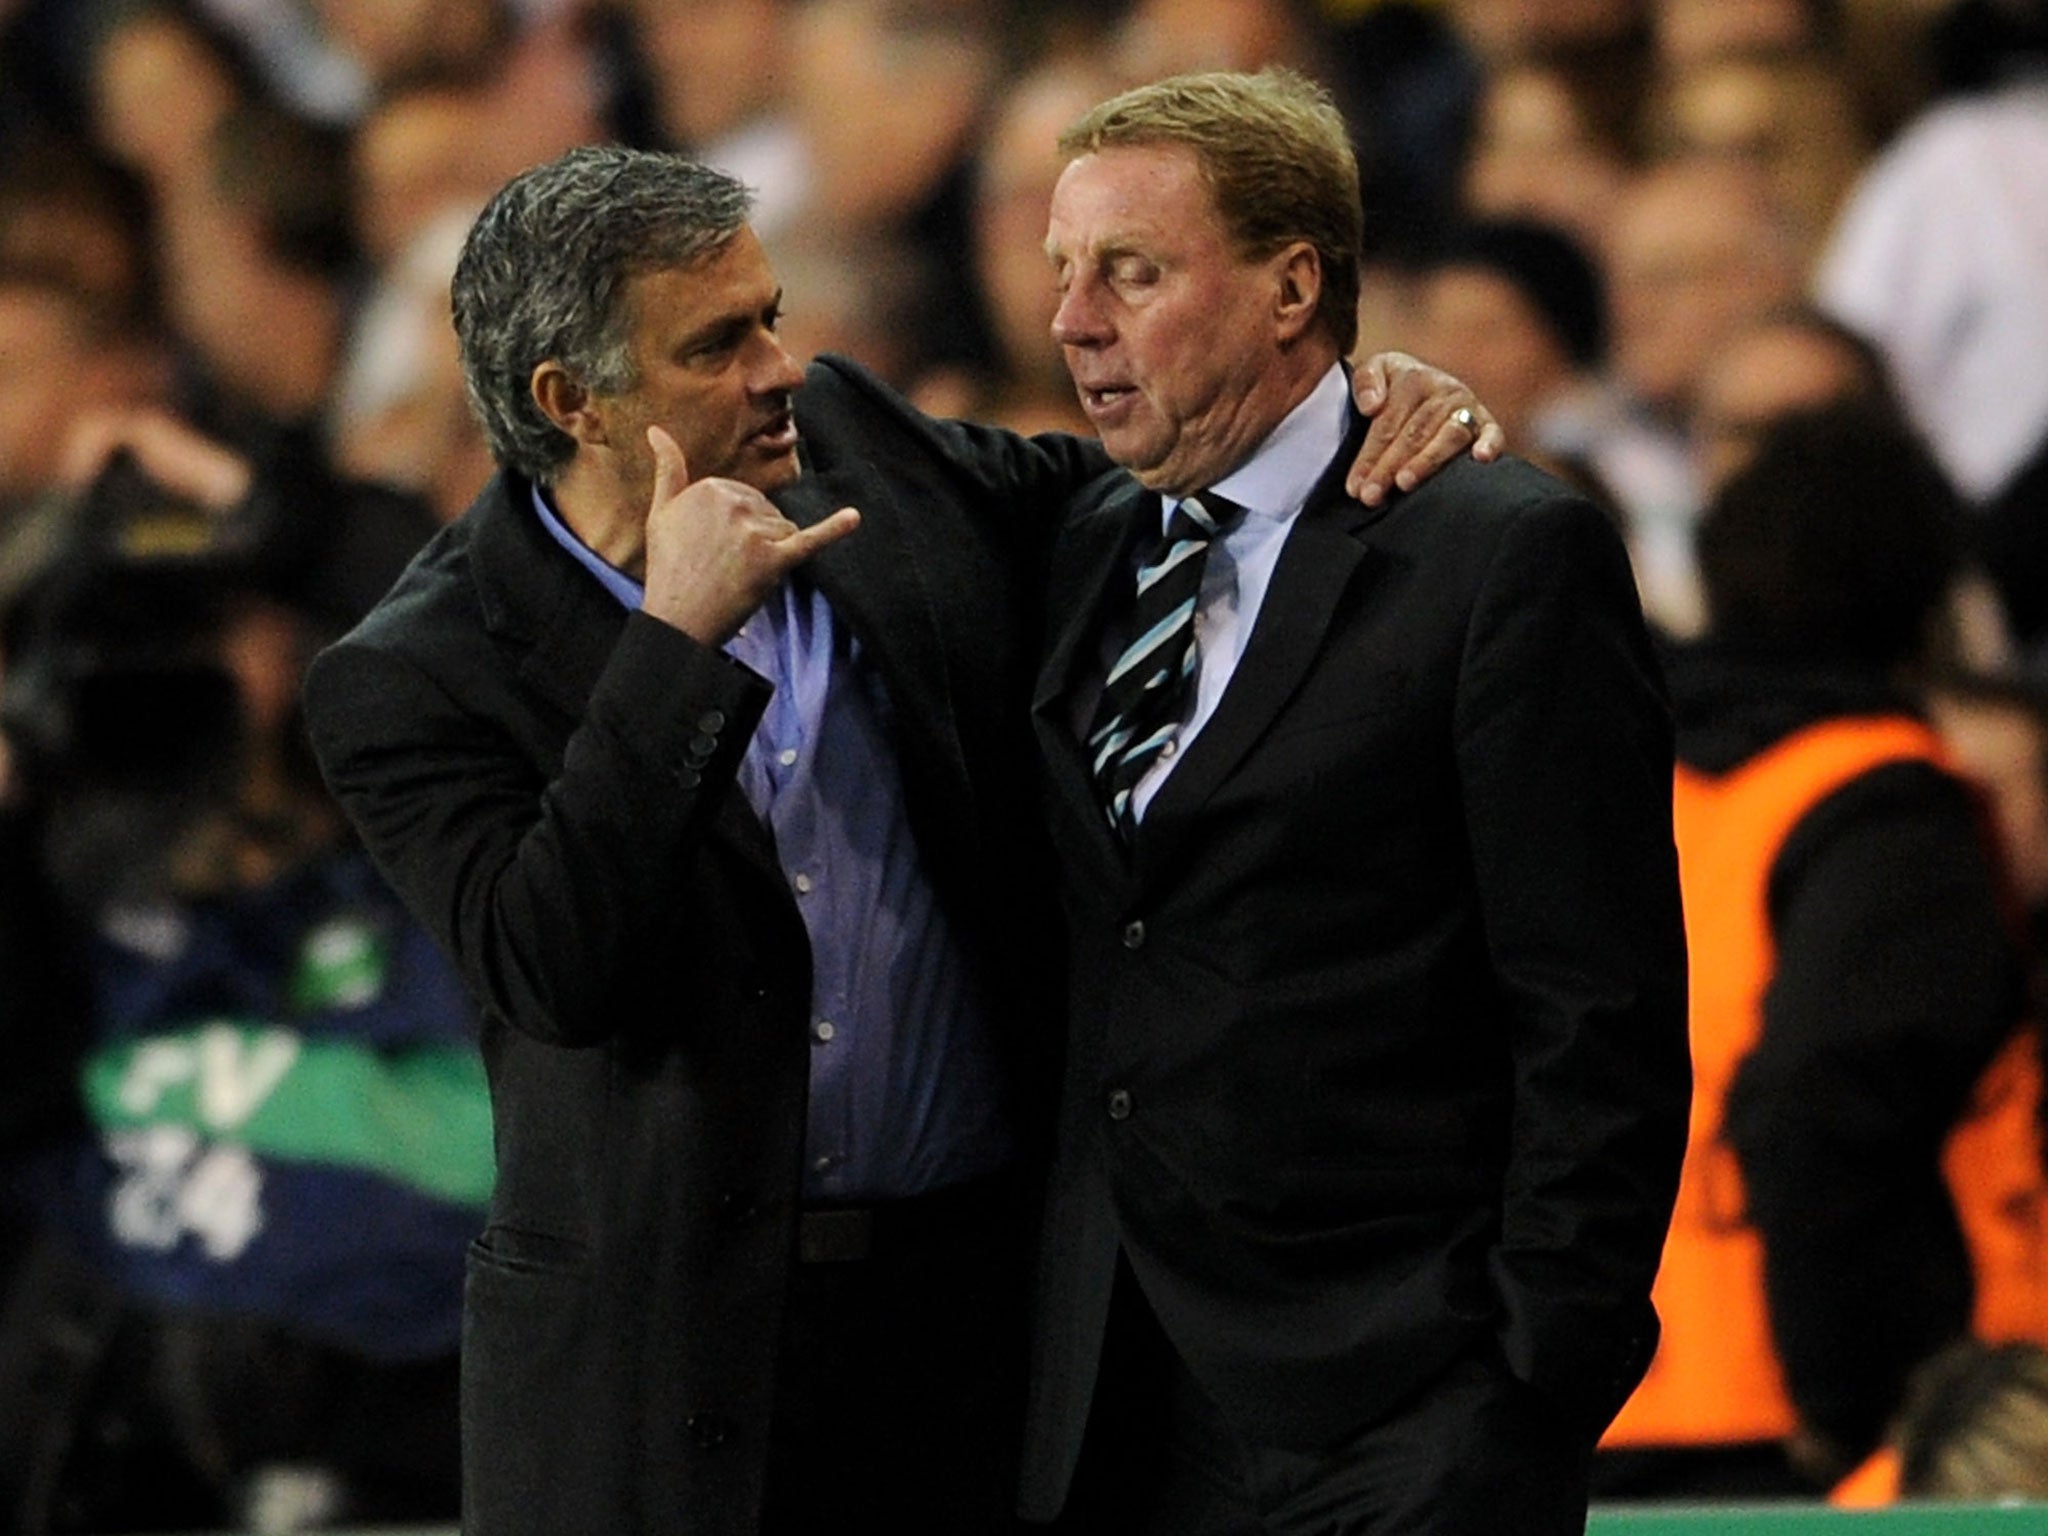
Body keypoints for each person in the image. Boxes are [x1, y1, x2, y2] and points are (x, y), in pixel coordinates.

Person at [298, 143, 1497, 1536]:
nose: (777, 368)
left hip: (970, 1324)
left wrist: (1345, 407)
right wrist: (672, 646)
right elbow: (554, 964)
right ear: (573, 401)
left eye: (770, 317)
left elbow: (1132, 495)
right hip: (662, 1375)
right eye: (717, 344)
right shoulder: (414, 674)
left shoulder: (860, 449)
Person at [1019, 68, 1690, 1534]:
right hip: (1117, 1412)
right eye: (1063, 270)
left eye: (1131, 270)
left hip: (1407, 1410)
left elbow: (1598, 1007)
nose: (1075, 318)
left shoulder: (1497, 558)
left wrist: (1533, 1381)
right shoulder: (1072, 545)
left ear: (1291, 284)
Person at [1597, 402, 2032, 1500]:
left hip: (1594, 1389)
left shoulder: (1619, 777)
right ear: (1929, 597)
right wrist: (1848, 1405)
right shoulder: (1880, 802)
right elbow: (1817, 1101)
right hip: (1780, 1417)